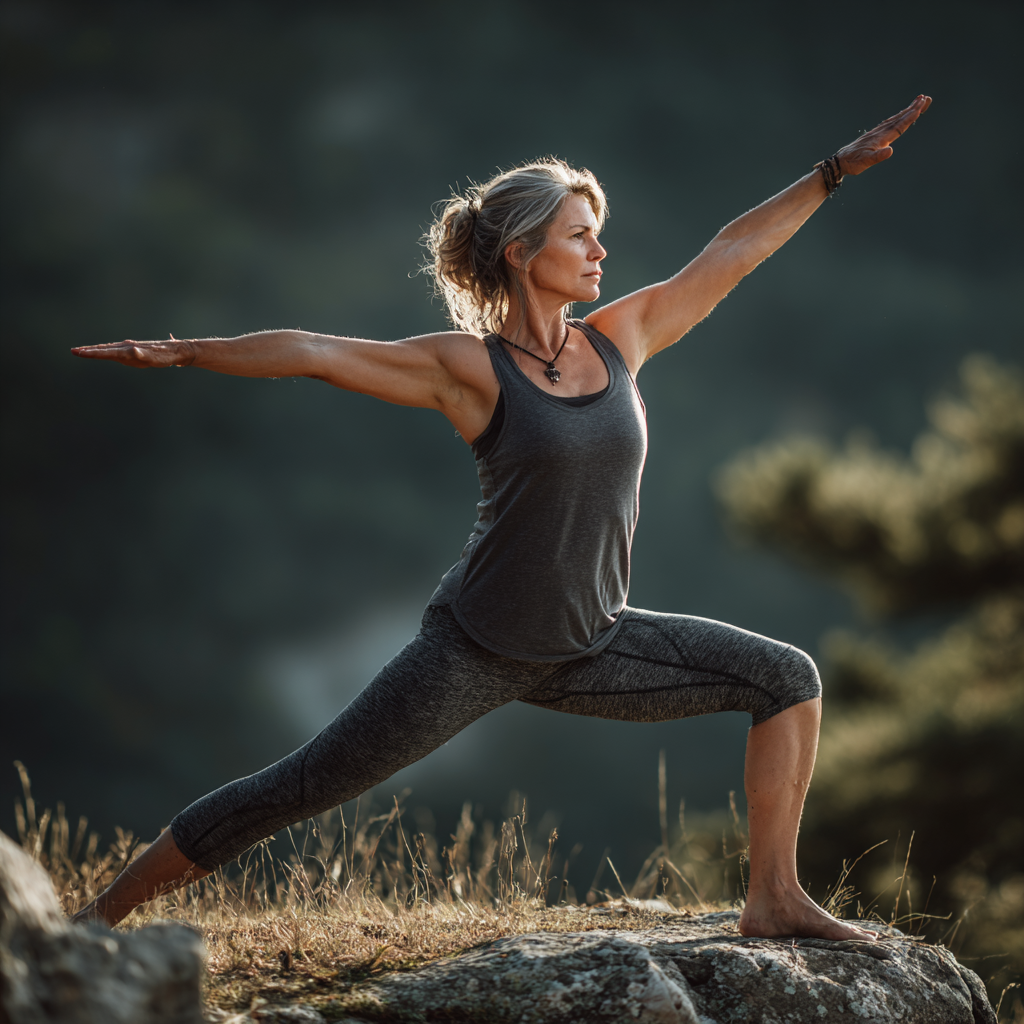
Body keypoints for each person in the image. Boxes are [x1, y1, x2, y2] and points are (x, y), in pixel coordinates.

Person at [70, 95, 932, 938]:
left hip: (595, 644)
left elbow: (733, 250)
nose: (601, 249)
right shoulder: (470, 371)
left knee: (787, 678)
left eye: (596, 231)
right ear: (524, 254)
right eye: (579, 235)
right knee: (295, 788)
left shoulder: (619, 339)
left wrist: (831, 173)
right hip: (471, 652)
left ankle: (772, 897)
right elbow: (316, 353)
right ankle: (89, 923)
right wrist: (184, 350)